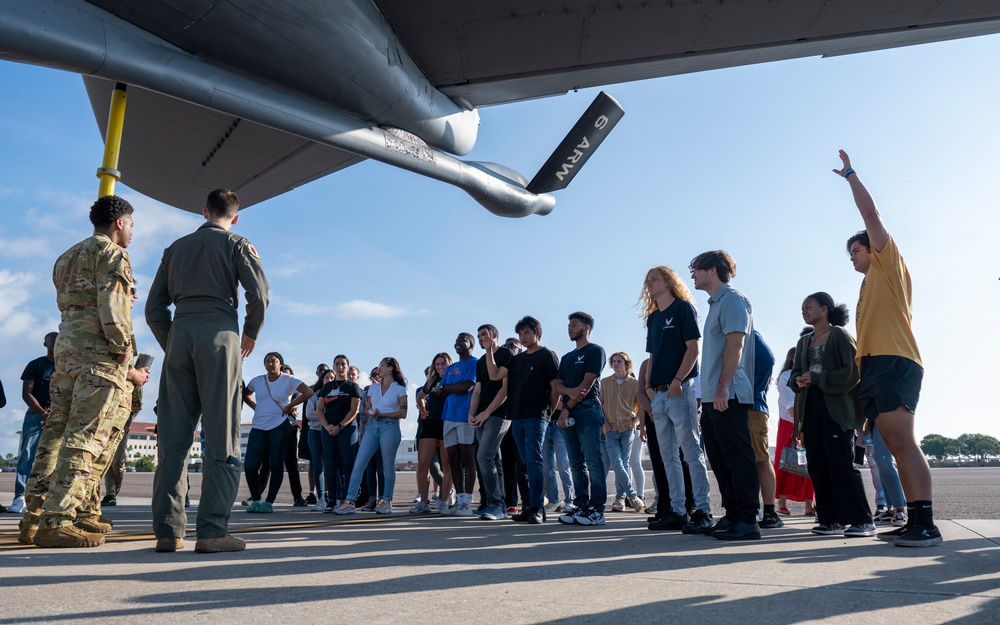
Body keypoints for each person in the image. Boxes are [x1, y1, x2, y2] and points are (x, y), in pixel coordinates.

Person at [147, 188, 269, 554]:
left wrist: (174, 344)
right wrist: (250, 332)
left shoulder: (175, 249)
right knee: (222, 435)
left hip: (180, 335)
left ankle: (169, 532)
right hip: (220, 335)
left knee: (173, 440)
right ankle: (213, 530)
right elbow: (258, 296)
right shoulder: (236, 243)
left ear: (204, 212)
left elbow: (154, 309)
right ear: (235, 216)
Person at [835, 150, 939, 547]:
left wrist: (851, 176)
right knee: (892, 445)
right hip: (876, 365)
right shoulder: (867, 283)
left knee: (903, 441)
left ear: (872, 249)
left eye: (856, 251)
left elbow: (872, 217)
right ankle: (916, 520)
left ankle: (927, 524)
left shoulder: (886, 261)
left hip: (895, 360)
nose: (853, 258)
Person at [20, 196, 134, 548]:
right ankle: (59, 520)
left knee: (54, 436)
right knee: (86, 437)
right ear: (118, 223)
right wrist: (123, 355)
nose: (131, 232)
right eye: (131, 225)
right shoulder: (112, 254)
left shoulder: (67, 256)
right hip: (97, 354)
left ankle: (33, 517)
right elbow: (114, 310)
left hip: (66, 353)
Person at [790, 292, 874, 538]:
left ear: (825, 309)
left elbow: (853, 371)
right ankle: (830, 520)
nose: (804, 311)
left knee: (841, 464)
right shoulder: (804, 342)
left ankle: (863, 520)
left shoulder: (840, 335)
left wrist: (817, 378)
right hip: (811, 408)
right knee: (818, 465)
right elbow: (795, 375)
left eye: (809, 307)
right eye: (802, 308)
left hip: (836, 409)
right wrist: (799, 380)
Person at [689, 250, 760, 540]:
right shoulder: (715, 304)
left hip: (727, 394)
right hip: (713, 397)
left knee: (737, 458)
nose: (692, 274)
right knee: (719, 459)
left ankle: (747, 519)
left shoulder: (732, 299)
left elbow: (736, 345)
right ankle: (732, 515)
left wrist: (722, 387)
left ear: (712, 270)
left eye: (696, 269)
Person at [640, 265, 713, 534]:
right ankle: (677, 511)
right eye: (647, 281)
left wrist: (677, 382)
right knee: (668, 456)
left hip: (678, 391)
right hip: (657, 394)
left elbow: (693, 348)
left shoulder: (683, 308)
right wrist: (648, 386)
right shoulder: (653, 318)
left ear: (668, 282)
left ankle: (703, 511)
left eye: (654, 280)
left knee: (691, 452)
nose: (649, 284)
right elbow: (652, 354)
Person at [486, 316, 560, 524]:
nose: (523, 337)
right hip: (516, 417)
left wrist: (548, 413)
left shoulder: (547, 355)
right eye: (520, 334)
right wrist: (489, 350)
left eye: (527, 332)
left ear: (538, 333)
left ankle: (537, 508)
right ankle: (529, 507)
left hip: (537, 416)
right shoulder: (516, 359)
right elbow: (494, 375)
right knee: (524, 464)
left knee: (534, 460)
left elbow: (555, 388)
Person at [554, 312, 609, 527]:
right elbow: (558, 386)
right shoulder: (567, 358)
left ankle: (597, 509)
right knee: (576, 463)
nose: (570, 328)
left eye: (574, 324)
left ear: (586, 328)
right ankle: (581, 505)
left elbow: (587, 385)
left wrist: (567, 407)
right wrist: (569, 393)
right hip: (569, 409)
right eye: (568, 324)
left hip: (586, 409)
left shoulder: (596, 351)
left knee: (593, 461)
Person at [335, 357, 408, 514]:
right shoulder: (373, 389)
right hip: (372, 426)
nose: (378, 368)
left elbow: (403, 412)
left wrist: (384, 414)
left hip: (390, 427)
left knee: (387, 466)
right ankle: (349, 501)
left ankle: (386, 501)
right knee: (359, 463)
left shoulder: (399, 389)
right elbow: (367, 408)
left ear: (390, 368)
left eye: (381, 366)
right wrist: (371, 412)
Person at [242, 353, 313, 512]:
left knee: (276, 464)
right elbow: (246, 394)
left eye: (274, 361)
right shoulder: (258, 381)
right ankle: (256, 500)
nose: (270, 364)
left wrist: (290, 406)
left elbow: (308, 392)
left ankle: (269, 502)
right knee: (251, 465)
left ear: (280, 363)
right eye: (267, 361)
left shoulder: (288, 380)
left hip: (279, 425)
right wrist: (255, 407)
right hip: (259, 426)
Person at [8, 332, 57, 515]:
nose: (55, 341)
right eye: (51, 339)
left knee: (57, 456)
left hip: (61, 414)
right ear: (45, 343)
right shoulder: (35, 364)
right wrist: (43, 414)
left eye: (59, 338)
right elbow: (26, 393)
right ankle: (20, 497)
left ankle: (49, 498)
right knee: (27, 455)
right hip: (36, 414)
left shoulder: (67, 365)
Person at [470, 325, 514, 521]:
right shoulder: (480, 362)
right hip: (481, 416)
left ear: (494, 335)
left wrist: (487, 413)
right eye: (478, 336)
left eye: (484, 335)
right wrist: (472, 414)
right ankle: (497, 504)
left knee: (484, 457)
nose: (480, 339)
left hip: (499, 415)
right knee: (493, 460)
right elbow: (477, 390)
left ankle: (496, 504)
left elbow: (505, 389)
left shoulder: (507, 354)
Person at [599, 352, 644, 513]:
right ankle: (633, 497)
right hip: (610, 428)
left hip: (627, 428)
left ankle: (620, 499)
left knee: (624, 463)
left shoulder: (635, 383)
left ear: (626, 364)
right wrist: (604, 424)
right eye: (614, 361)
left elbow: (641, 406)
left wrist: (635, 423)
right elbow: (599, 405)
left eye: (619, 361)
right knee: (617, 463)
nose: (616, 363)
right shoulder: (604, 382)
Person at [439, 334, 478, 517]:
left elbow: (466, 386)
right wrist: (450, 388)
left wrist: (448, 388)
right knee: (453, 461)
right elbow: (440, 389)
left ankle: (467, 503)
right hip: (449, 416)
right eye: (456, 340)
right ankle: (459, 500)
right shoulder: (452, 367)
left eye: (462, 340)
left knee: (468, 459)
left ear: (471, 344)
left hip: (465, 417)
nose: (458, 342)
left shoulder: (474, 363)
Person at [773, 348, 815, 516]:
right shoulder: (785, 377)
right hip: (790, 424)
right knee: (786, 462)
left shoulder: (810, 374)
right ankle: (781, 503)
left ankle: (809, 504)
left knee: (809, 464)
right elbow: (790, 406)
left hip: (805, 422)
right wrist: (800, 425)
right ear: (791, 358)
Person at [317, 355, 362, 511]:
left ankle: (347, 499)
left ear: (348, 366)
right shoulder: (327, 387)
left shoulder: (353, 387)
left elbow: (354, 410)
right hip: (328, 430)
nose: (340, 367)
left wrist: (340, 426)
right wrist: (328, 426)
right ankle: (333, 500)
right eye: (337, 364)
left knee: (348, 465)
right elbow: (319, 409)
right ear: (333, 366)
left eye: (343, 364)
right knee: (330, 465)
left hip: (347, 429)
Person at [412, 353, 454, 514]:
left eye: (443, 363)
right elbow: (420, 397)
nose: (440, 366)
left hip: (447, 422)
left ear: (449, 364)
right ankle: (423, 502)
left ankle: (444, 500)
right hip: (430, 424)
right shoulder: (431, 381)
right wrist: (423, 411)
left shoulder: (453, 380)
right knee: (423, 463)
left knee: (447, 465)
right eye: (437, 364)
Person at [750, 331, 784, 529]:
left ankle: (770, 512)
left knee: (761, 460)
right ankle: (753, 510)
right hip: (741, 408)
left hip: (753, 408)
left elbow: (768, 359)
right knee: (747, 462)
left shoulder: (751, 335)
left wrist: (752, 390)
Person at [305, 369, 335, 510]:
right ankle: (320, 497)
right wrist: (326, 418)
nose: (329, 380)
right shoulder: (314, 394)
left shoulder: (337, 395)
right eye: (327, 377)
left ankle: (332, 496)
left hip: (331, 432)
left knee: (331, 464)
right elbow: (310, 414)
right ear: (321, 379)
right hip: (316, 431)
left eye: (332, 378)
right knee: (317, 464)